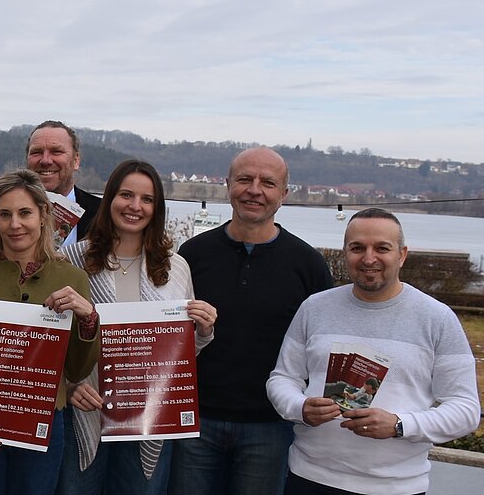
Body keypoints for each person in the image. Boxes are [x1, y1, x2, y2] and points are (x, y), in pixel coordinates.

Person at [266, 208, 480, 495]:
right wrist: (300, 408)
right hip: (308, 478)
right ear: (345, 253)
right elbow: (282, 379)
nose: (369, 258)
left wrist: (400, 425)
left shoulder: (437, 319)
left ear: (402, 255)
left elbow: (465, 410)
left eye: (382, 248)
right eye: (357, 248)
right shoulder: (314, 308)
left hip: (396, 487)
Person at [169, 147, 334, 495]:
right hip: (195, 421)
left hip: (271, 426)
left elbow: (323, 346)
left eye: (268, 183)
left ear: (284, 194)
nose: (254, 190)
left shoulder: (308, 265)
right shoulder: (192, 255)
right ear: (228, 185)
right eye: (244, 179)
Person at [56, 160, 218, 495]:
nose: (135, 206)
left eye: (147, 200)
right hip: (88, 413)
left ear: (157, 209)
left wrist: (202, 332)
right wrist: (69, 387)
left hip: (150, 420)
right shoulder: (72, 259)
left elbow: (179, 353)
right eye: (126, 195)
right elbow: (52, 339)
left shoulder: (176, 267)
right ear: (109, 199)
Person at [0, 169, 100, 495]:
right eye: (4, 214)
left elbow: (78, 370)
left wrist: (88, 319)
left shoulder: (73, 278)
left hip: (43, 428)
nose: (15, 224)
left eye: (25, 213)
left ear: (43, 215)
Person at [0, 121, 102, 248]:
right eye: (36, 152)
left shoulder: (101, 213)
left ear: (76, 160)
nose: (45, 161)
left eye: (56, 151)